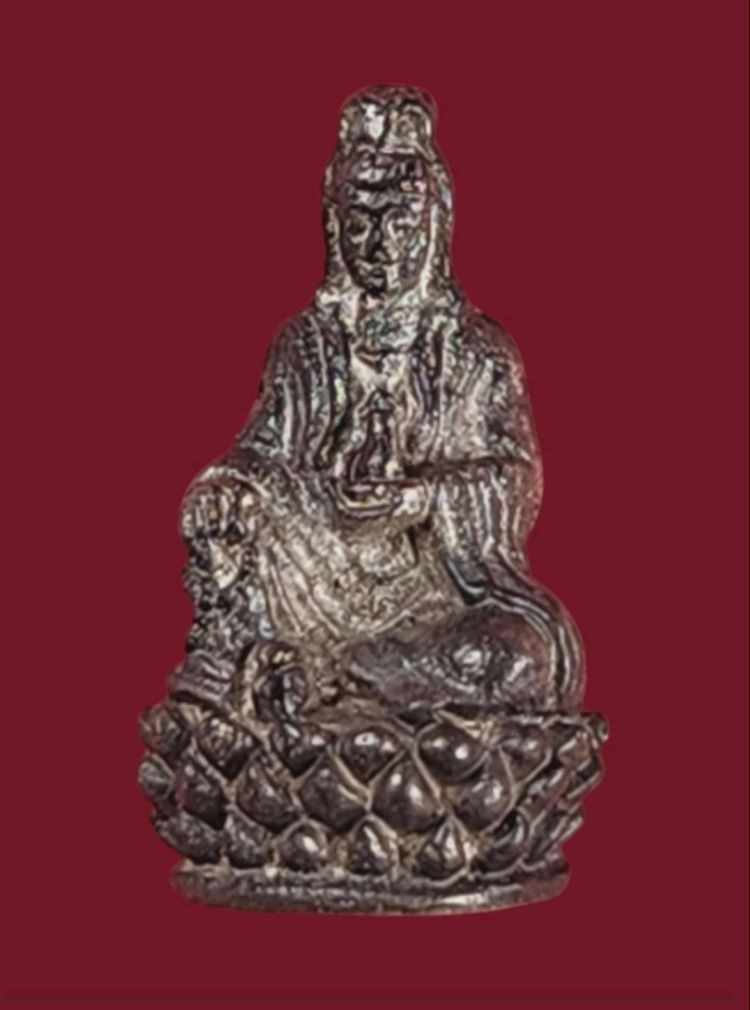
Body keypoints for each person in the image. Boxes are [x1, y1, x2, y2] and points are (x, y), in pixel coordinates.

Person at [174, 84, 583, 719]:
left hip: (435, 591)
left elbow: (515, 475)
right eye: (361, 224)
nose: (381, 245)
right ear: (333, 226)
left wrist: (420, 498)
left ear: (435, 224)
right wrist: (224, 489)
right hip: (319, 572)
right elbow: (261, 454)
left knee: (524, 654)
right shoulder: (304, 344)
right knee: (244, 524)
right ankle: (307, 676)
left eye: (401, 223)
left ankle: (331, 680)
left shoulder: (476, 349)